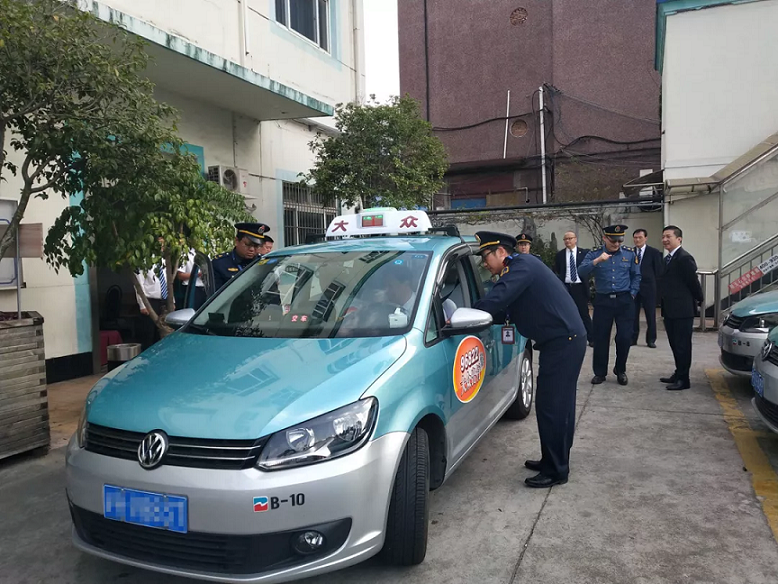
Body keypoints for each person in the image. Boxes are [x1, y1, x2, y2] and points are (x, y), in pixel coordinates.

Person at [473, 231, 586, 488]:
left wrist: (467, 312)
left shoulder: (521, 266)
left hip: (563, 343)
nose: (484, 264)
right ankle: (553, 460)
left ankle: (556, 470)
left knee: (553, 407)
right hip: (562, 341)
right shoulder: (520, 268)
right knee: (558, 406)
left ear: (501, 252)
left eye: (485, 257)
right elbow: (506, 309)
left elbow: (498, 299)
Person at [578, 225, 641, 386]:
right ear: (605, 238)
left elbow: (636, 275)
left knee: (625, 337)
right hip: (603, 300)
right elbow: (581, 271)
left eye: (620, 240)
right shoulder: (594, 254)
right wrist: (597, 261)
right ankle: (600, 372)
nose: (616, 244)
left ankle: (620, 370)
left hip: (624, 300)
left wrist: (632, 293)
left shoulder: (629, 254)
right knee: (600, 337)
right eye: (613, 240)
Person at [658, 225, 703, 391]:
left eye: (668, 236)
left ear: (679, 239)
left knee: (683, 345)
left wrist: (700, 299)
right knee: (675, 344)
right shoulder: (668, 259)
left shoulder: (684, 258)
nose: (665, 240)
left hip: (682, 310)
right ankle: (678, 373)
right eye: (663, 236)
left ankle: (684, 379)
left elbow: (693, 282)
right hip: (670, 309)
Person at [554, 231, 593, 347]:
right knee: (565, 313)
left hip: (579, 287)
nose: (568, 241)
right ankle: (568, 337)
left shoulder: (584, 253)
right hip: (566, 287)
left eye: (570, 238)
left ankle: (591, 338)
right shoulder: (560, 255)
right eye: (565, 239)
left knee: (584, 313)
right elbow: (558, 270)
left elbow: (589, 268)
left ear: (575, 239)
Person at [212, 222, 270, 290]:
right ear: (236, 241)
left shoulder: (263, 263)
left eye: (256, 246)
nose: (252, 249)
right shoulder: (221, 264)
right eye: (248, 244)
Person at [631, 229, 662, 348]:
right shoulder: (630, 252)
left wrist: (658, 290)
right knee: (633, 314)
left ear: (645, 238)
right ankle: (633, 338)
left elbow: (658, 271)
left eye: (640, 237)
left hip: (649, 288)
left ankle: (651, 339)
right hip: (633, 288)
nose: (637, 240)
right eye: (635, 238)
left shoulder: (653, 252)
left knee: (650, 314)